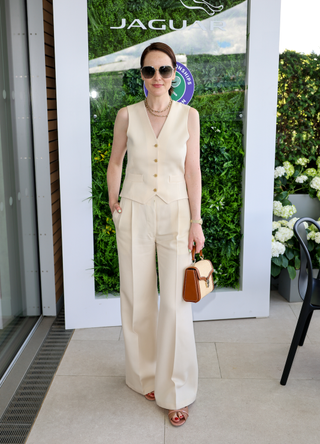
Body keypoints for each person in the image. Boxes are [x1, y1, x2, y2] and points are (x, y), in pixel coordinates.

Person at [107, 42, 205, 427]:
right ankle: (145, 376)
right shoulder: (126, 116)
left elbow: (192, 171)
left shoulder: (189, 116)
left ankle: (177, 388)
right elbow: (116, 161)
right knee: (137, 295)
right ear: (142, 76)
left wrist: (196, 221)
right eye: (149, 71)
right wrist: (114, 201)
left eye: (165, 70)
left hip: (177, 212)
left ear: (175, 73)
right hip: (133, 211)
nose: (158, 78)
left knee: (178, 303)